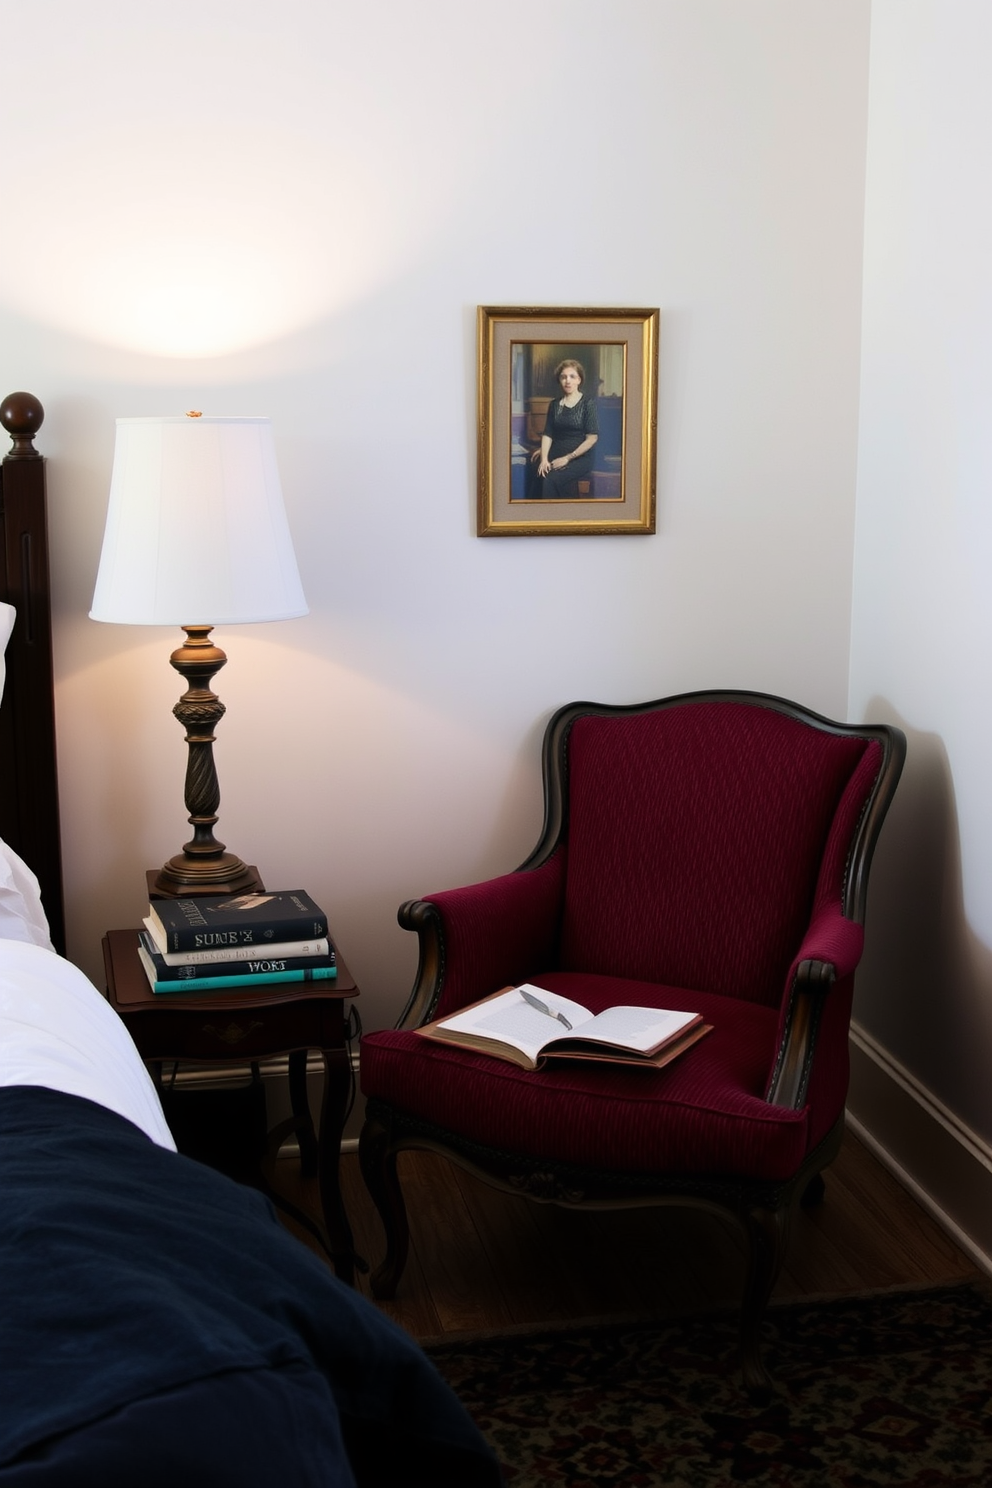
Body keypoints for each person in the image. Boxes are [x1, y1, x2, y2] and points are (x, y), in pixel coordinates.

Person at [534, 359, 599, 499]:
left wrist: (567, 458)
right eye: (563, 377)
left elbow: (592, 439)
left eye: (572, 377)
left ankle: (555, 518)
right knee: (535, 470)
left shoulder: (588, 403)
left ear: (579, 380)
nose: (567, 381)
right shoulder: (554, 404)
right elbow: (548, 433)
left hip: (579, 458)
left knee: (550, 479)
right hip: (556, 452)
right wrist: (544, 457)